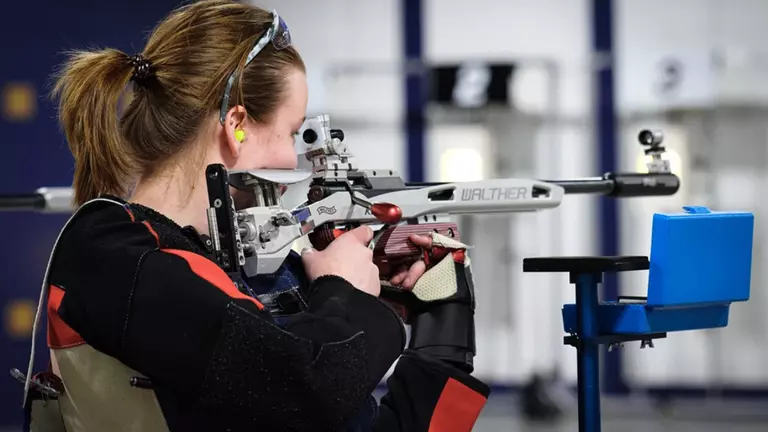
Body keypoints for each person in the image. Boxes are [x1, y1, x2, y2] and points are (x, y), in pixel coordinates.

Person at [21, 1, 490, 431]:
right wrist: (343, 292)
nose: (292, 160)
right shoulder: (115, 256)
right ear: (236, 126)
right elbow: (309, 388)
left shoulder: (209, 268)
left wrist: (441, 329)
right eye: (290, 132)